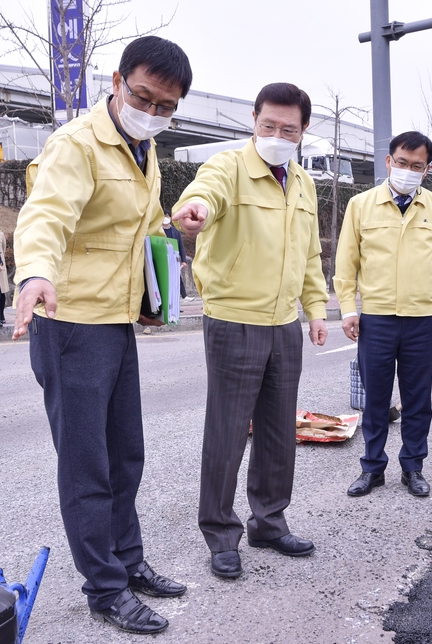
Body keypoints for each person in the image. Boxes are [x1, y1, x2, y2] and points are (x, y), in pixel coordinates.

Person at [10, 36, 193, 635]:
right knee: (87, 464)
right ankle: (105, 588)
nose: (154, 111)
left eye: (167, 106)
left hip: (117, 324)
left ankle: (130, 562)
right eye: (144, 96)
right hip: (70, 326)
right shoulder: (77, 145)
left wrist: (151, 287)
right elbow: (47, 215)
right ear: (117, 81)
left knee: (126, 455)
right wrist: (34, 271)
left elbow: (128, 232)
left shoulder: (143, 150)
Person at [172, 82, 328, 580]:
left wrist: (316, 308)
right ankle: (220, 534)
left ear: (303, 132)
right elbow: (205, 195)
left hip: (285, 323)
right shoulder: (228, 168)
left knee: (280, 433)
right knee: (228, 431)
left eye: (289, 128)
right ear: (253, 123)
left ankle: (270, 522)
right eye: (268, 126)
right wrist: (193, 212)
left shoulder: (303, 183)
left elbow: (309, 255)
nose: (277, 135)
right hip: (234, 319)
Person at [334, 131, 432, 498]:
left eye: (416, 166)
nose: (407, 170)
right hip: (377, 319)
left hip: (422, 321)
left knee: (418, 399)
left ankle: (413, 468)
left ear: (427, 169)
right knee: (375, 400)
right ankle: (372, 469)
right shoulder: (361, 205)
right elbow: (346, 263)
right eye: (401, 163)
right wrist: (347, 310)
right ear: (389, 161)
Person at [161, 209, 188, 298]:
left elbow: (181, 246)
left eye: (167, 216)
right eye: (164, 216)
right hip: (162, 258)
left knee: (176, 278)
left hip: (173, 258)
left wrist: (184, 260)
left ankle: (182, 296)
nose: (166, 218)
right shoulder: (158, 231)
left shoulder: (175, 232)